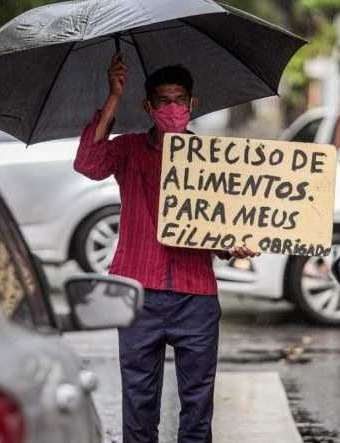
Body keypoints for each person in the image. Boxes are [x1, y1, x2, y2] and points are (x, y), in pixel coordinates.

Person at [74, 54, 259, 443]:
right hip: (138, 292)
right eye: (163, 101)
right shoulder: (129, 149)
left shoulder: (211, 159)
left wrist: (234, 246)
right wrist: (113, 97)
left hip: (196, 295)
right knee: (138, 407)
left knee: (198, 408)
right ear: (148, 106)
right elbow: (88, 163)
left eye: (179, 100)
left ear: (192, 104)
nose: (172, 108)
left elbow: (221, 225)